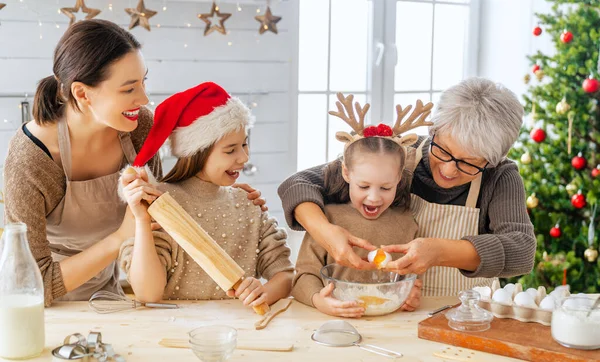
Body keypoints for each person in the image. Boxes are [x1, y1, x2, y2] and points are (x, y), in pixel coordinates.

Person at [3, 20, 264, 306]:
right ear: (82, 93)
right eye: (128, 89)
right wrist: (119, 239)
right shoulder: (31, 159)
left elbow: (158, 212)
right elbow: (30, 284)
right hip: (44, 311)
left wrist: (220, 194)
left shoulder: (139, 129)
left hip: (109, 298)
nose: (144, 99)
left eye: (143, 82)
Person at [278, 77, 536, 296]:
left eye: (468, 163)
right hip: (398, 311)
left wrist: (440, 252)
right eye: (443, 151)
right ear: (433, 130)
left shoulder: (500, 177)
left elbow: (522, 250)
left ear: (492, 160)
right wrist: (326, 233)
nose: (448, 170)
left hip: (466, 313)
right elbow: (297, 184)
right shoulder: (398, 153)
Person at [119, 82, 294, 309]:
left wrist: (264, 292)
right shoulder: (161, 204)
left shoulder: (246, 203)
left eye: (244, 144)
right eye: (230, 150)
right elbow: (147, 293)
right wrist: (142, 221)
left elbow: (285, 275)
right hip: (175, 333)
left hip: (238, 333)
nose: (243, 157)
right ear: (197, 152)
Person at [292, 93, 425, 316]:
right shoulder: (327, 218)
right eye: (364, 186)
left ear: (399, 180)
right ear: (346, 173)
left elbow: (410, 279)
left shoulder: (407, 222)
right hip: (332, 320)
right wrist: (318, 300)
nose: (374, 198)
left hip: (390, 325)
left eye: (385, 188)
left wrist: (410, 295)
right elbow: (302, 277)